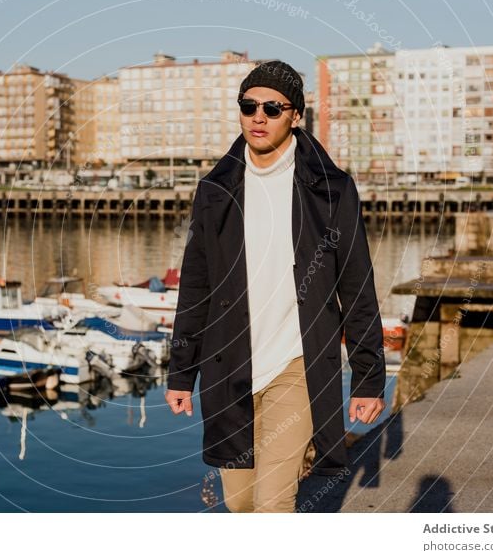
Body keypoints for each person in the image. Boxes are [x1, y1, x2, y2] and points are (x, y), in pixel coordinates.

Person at [164, 60, 386, 513]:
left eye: (272, 107)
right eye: (249, 106)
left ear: (296, 116)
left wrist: (368, 379)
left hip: (296, 366)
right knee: (240, 504)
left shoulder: (331, 190)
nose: (258, 116)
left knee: (272, 506)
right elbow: (196, 287)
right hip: (230, 369)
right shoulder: (216, 189)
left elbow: (357, 287)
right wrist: (181, 372)